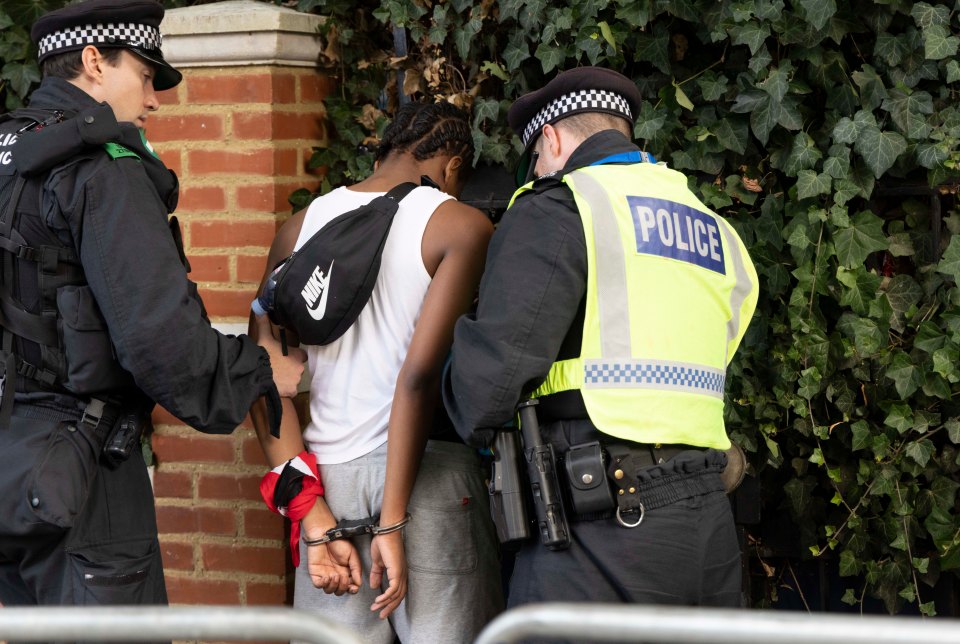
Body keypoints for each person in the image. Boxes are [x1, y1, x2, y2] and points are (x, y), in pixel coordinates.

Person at [0, 0, 303, 607]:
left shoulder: (11, 155)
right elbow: (161, 343)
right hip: (83, 477)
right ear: (93, 62)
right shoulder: (103, 168)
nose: (155, 99)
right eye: (144, 75)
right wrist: (262, 371)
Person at [443, 66, 760, 609]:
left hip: (604, 526)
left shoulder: (562, 207)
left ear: (552, 138)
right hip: (706, 520)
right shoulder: (714, 227)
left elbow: (487, 389)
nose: (536, 171)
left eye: (535, 160)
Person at [250, 101, 502, 642]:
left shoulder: (299, 228)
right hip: (424, 479)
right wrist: (392, 520)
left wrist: (310, 510)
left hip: (329, 485)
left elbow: (261, 381)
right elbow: (418, 377)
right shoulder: (458, 223)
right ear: (452, 164)